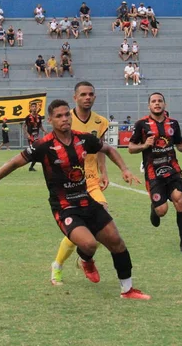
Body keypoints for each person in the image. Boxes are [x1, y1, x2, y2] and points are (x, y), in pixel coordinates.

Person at [0, 99, 150, 300]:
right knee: (89, 244)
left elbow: (107, 149)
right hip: (65, 207)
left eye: (67, 115)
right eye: (59, 116)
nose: (64, 119)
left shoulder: (83, 139)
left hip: (87, 200)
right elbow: (13, 164)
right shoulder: (42, 146)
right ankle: (85, 260)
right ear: (50, 120)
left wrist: (124, 169)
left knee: (116, 241)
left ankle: (128, 290)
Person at [50, 81, 110, 286]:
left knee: (102, 222)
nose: (87, 97)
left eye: (91, 94)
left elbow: (100, 149)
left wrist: (103, 172)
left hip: (91, 181)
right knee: (77, 228)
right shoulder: (65, 119)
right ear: (75, 97)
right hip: (69, 185)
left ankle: (84, 258)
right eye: (83, 94)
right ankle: (58, 265)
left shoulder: (100, 122)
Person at [128, 92, 182, 253]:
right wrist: (144, 145)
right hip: (153, 172)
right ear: (149, 105)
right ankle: (155, 207)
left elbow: (179, 146)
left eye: (160, 101)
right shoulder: (141, 124)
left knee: (179, 200)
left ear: (164, 104)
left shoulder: (173, 124)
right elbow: (131, 148)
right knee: (162, 211)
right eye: (153, 101)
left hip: (173, 169)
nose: (157, 103)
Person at [23, 101, 47, 171]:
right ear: (30, 108)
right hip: (31, 137)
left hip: (37, 137)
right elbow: (24, 126)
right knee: (33, 151)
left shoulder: (39, 116)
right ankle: (28, 162)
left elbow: (40, 125)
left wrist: (44, 131)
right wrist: (27, 134)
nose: (34, 108)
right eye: (32, 106)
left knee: (37, 151)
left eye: (35, 106)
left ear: (37, 107)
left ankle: (31, 166)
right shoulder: (28, 117)